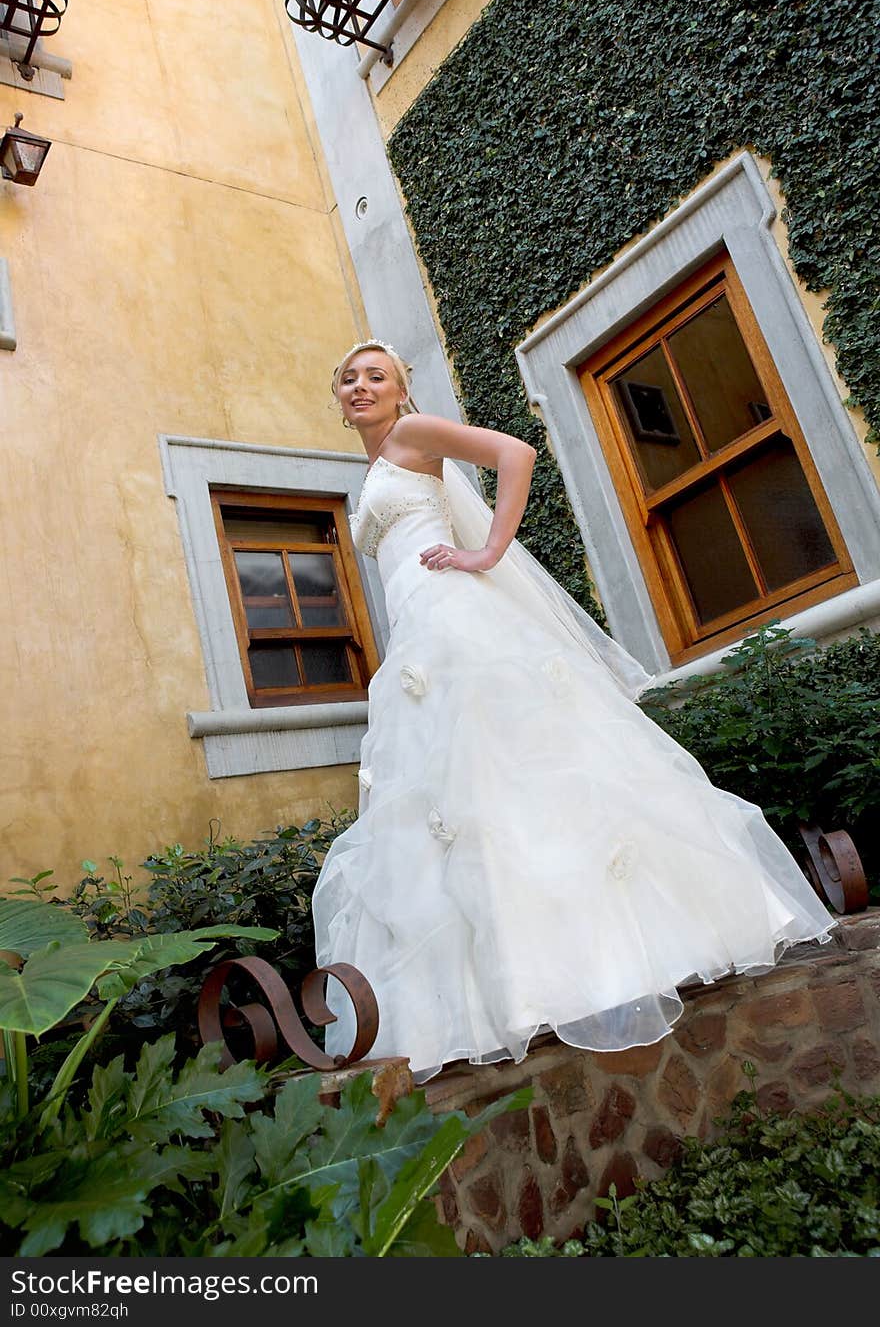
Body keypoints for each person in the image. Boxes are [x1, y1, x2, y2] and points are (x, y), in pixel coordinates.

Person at [311, 339, 836, 1083]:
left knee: (512, 778)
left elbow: (513, 453)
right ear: (337, 398)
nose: (360, 386)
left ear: (401, 392)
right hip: (420, 646)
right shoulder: (371, 467)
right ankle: (514, 984)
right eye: (348, 378)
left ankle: (599, 962)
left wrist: (487, 552)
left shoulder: (411, 436)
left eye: (377, 376)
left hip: (457, 624)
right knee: (464, 802)